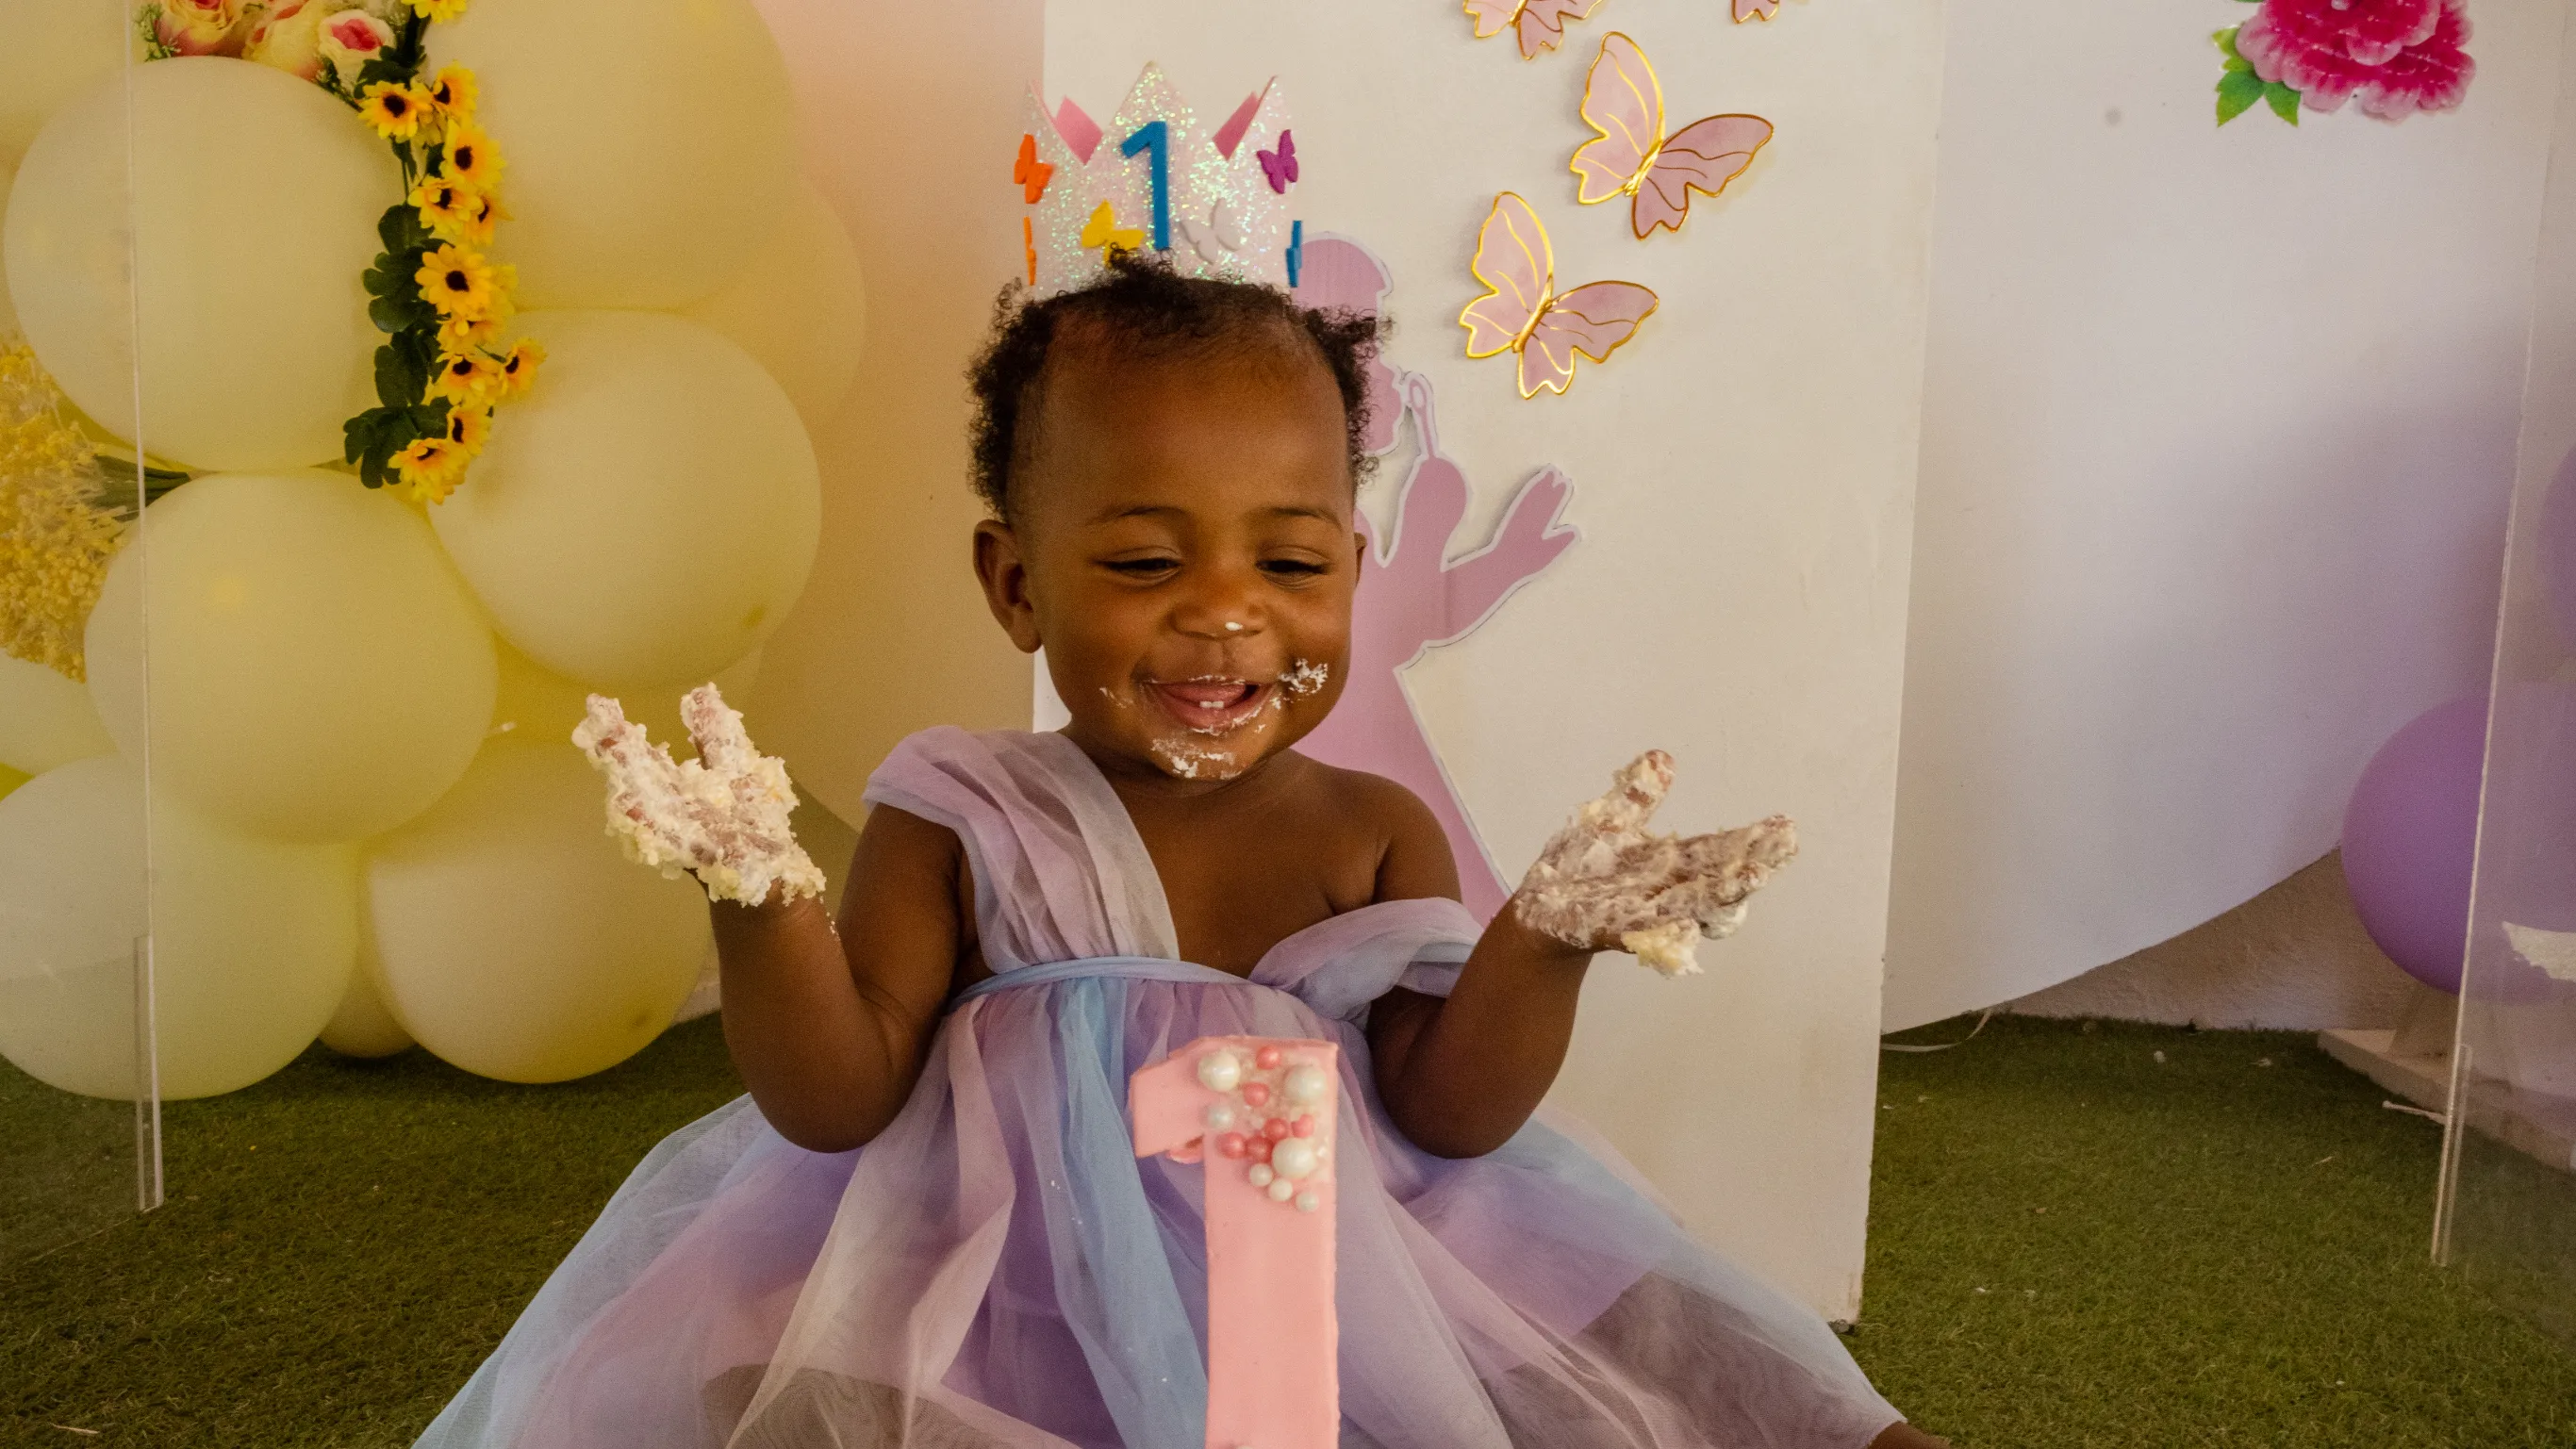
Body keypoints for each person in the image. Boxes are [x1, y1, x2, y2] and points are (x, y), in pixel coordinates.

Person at [416, 254, 1947, 1449]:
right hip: (1008, 1285)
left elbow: (1450, 1115)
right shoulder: (957, 806)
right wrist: (761, 906)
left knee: (1653, 1357)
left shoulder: (1368, 826)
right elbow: (835, 1100)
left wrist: (1542, 943)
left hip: (1320, 1275)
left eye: (1290, 562)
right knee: (775, 1393)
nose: (1226, 613)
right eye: (1147, 562)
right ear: (1015, 583)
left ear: (1352, 568)